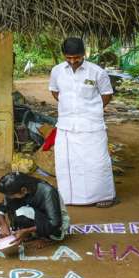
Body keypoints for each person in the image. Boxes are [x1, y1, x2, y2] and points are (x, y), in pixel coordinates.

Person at [48, 37, 118, 207]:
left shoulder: (97, 72)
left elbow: (106, 94)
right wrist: (70, 108)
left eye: (77, 57)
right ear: (64, 55)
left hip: (91, 125)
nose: (73, 61)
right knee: (68, 162)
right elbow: (55, 92)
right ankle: (69, 197)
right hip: (66, 125)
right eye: (69, 58)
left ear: (84, 54)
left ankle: (103, 196)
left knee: (96, 161)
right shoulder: (57, 71)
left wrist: (90, 110)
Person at [0, 172, 70, 247]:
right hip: (38, 214)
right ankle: (31, 233)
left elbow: (55, 223)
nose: (8, 197)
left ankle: (49, 238)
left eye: (10, 195)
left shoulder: (47, 191)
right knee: (16, 210)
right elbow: (1, 208)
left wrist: (27, 231)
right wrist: (3, 225)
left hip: (58, 223)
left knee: (22, 212)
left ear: (23, 190)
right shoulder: (17, 189)